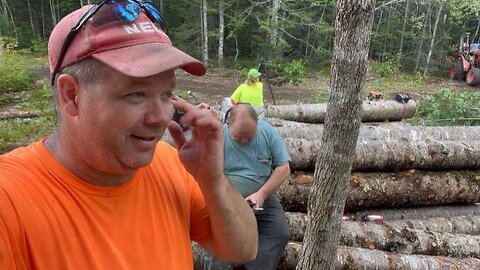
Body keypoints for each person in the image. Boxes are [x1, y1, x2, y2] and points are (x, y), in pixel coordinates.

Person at [0, 2, 257, 269]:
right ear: (71, 96)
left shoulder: (170, 164)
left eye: (166, 94)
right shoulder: (10, 200)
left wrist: (213, 181)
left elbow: (243, 249)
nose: (160, 116)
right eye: (136, 94)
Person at [201, 104, 291, 270]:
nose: (244, 141)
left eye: (249, 137)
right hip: (224, 200)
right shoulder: (217, 137)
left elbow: (284, 168)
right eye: (239, 137)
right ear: (228, 123)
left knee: (279, 232)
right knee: (218, 238)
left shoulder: (267, 132)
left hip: (259, 199)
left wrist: (261, 194)